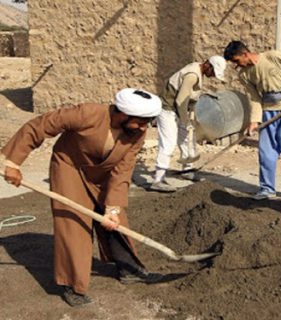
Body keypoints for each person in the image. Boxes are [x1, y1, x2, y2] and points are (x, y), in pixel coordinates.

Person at [2, 88, 165, 307]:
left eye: (149, 122)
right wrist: (12, 163)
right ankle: (71, 284)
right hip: (70, 167)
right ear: (123, 113)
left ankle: (129, 269)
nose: (145, 127)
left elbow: (123, 170)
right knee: (74, 223)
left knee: (116, 222)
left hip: (103, 173)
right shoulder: (86, 114)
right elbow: (39, 126)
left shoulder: (137, 133)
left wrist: (113, 208)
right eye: (141, 121)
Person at [223, 40, 281, 204]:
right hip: (268, 111)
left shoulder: (271, 57)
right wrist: (254, 121)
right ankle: (267, 188)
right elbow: (254, 98)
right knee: (266, 152)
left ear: (245, 54)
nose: (237, 65)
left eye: (237, 61)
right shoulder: (244, 75)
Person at [150, 55, 227, 192]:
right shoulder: (192, 75)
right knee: (168, 143)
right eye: (213, 72)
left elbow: (188, 99)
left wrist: (189, 118)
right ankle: (158, 179)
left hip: (179, 110)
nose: (213, 76)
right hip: (168, 110)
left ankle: (187, 170)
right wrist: (185, 120)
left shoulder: (198, 71)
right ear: (208, 65)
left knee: (186, 139)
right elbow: (180, 100)